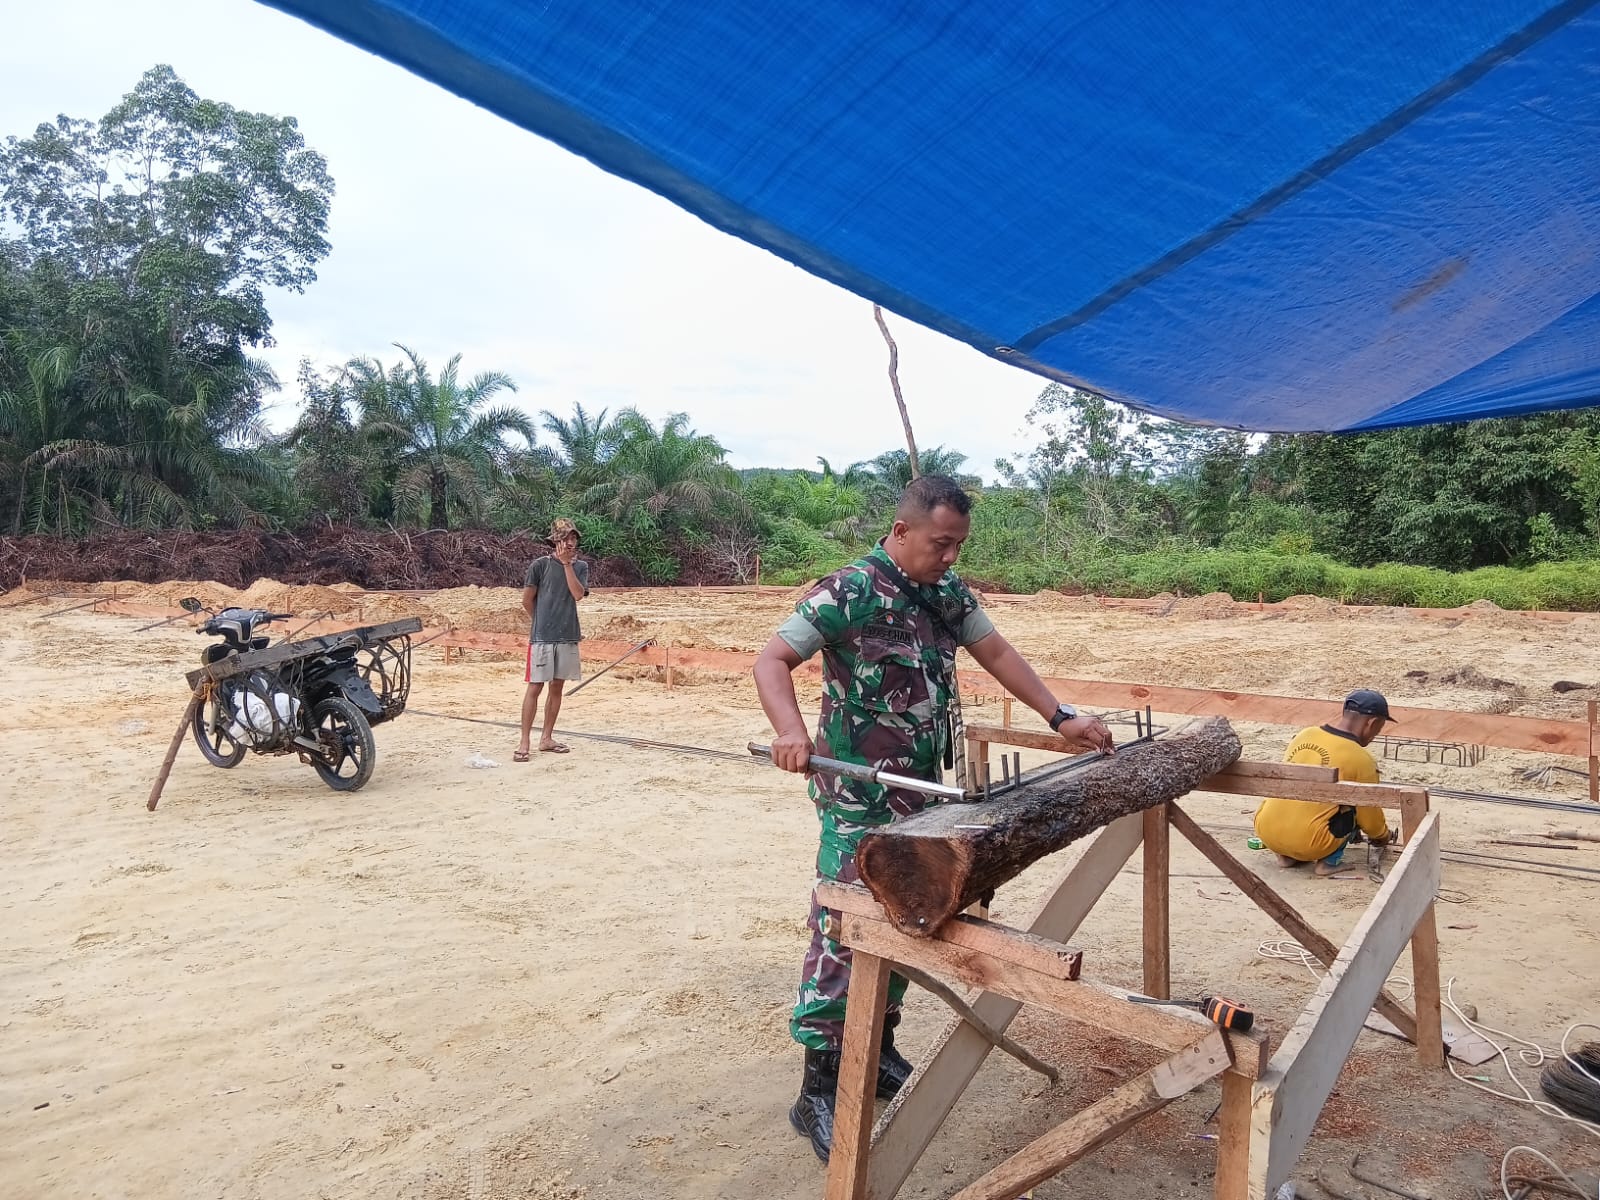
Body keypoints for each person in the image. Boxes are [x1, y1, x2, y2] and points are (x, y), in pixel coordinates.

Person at [753, 474, 1115, 1162]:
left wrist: (1060, 715)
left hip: (920, 789)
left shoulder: (946, 593)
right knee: (844, 926)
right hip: (860, 794)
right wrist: (790, 731)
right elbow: (771, 661)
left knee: (909, 912)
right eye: (940, 544)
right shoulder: (848, 590)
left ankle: (878, 1043)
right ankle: (820, 1085)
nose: (949, 557)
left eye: (957, 546)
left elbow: (997, 652)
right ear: (902, 533)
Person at [1253, 689, 1396, 876]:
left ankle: (1285, 856)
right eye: (1379, 728)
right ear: (1373, 723)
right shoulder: (1362, 759)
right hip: (1311, 843)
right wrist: (1382, 837)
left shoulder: (1305, 735)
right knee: (1353, 808)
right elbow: (1370, 816)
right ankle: (1328, 863)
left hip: (1266, 832)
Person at [515, 518, 589, 761]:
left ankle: (546, 738)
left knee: (557, 687)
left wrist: (568, 566)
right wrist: (540, 623)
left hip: (567, 635)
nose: (571, 542)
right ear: (555, 541)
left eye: (573, 538)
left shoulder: (580, 568)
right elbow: (527, 600)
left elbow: (578, 595)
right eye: (566, 538)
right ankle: (524, 741)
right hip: (542, 638)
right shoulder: (540, 566)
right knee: (535, 687)